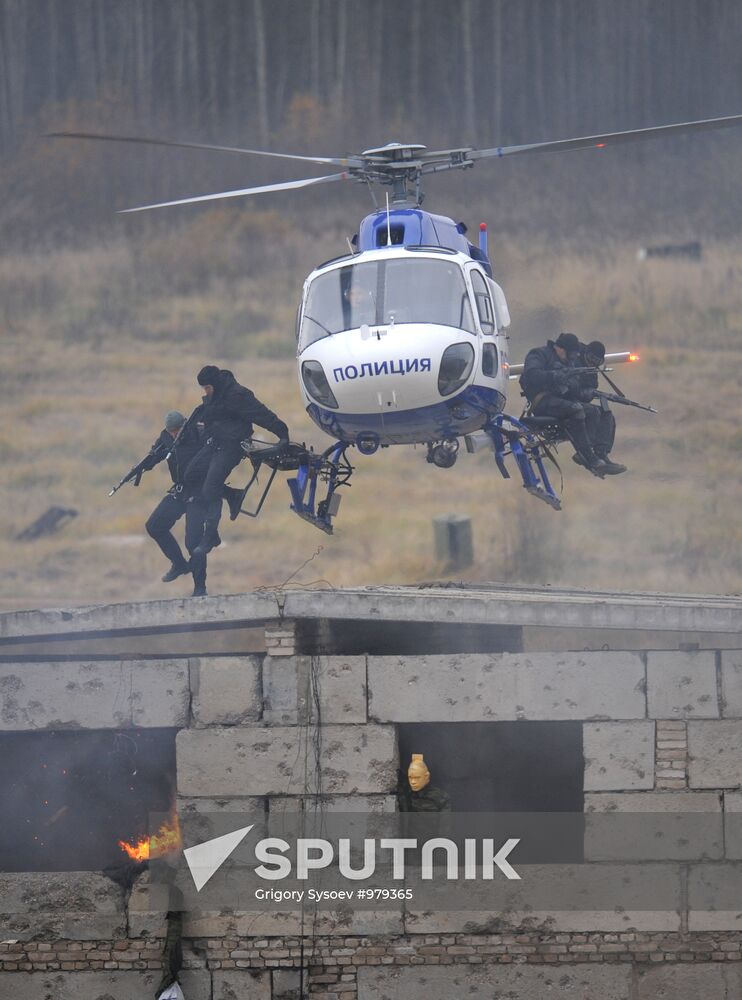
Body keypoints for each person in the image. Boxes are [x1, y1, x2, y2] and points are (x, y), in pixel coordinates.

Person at [185, 366, 289, 557]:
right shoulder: (215, 395)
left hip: (232, 446)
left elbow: (262, 414)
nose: (205, 392)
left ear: (214, 383)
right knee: (190, 476)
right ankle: (233, 495)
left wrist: (282, 433)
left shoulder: (238, 395)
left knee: (210, 488)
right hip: (215, 442)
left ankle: (210, 537)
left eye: (207, 387)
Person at [142, 409, 243, 597]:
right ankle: (179, 564)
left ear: (184, 425)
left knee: (193, 544)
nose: (174, 435)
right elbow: (154, 457)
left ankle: (200, 588)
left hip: (200, 494)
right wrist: (143, 466)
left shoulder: (200, 432)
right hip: (180, 491)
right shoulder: (166, 438)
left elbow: (222, 450)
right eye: (171, 431)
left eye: (177, 430)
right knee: (154, 526)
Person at [519, 332, 606, 476]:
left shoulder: (567, 362)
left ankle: (590, 452)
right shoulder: (538, 354)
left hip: (559, 401)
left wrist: (580, 387)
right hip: (541, 401)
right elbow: (532, 375)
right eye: (570, 355)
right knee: (575, 409)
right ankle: (587, 456)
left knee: (593, 411)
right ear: (560, 348)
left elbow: (573, 388)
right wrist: (554, 376)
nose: (571, 359)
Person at [568, 340, 626, 475]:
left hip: (578, 402)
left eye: (597, 361)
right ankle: (586, 452)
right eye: (592, 359)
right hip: (565, 401)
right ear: (586, 354)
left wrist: (593, 393)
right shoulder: (573, 362)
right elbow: (569, 388)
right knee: (593, 412)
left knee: (607, 415)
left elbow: (591, 387)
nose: (593, 363)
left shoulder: (591, 369)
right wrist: (588, 393)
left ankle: (601, 453)